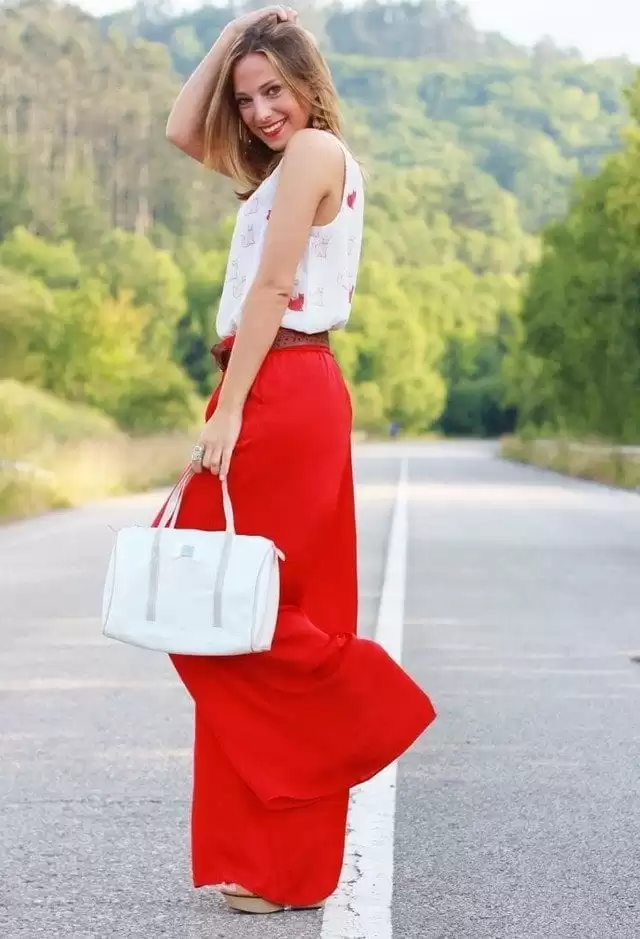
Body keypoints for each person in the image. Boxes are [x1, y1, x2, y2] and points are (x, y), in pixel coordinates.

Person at [160, 5, 437, 915]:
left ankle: (365, 701)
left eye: (274, 89)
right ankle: (276, 862)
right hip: (276, 385)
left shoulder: (315, 151)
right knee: (238, 608)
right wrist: (235, 34)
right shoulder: (282, 166)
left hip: (277, 386)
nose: (259, 112)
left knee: (214, 597)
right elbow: (178, 128)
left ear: (311, 87)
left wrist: (230, 410)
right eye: (247, 99)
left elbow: (276, 288)